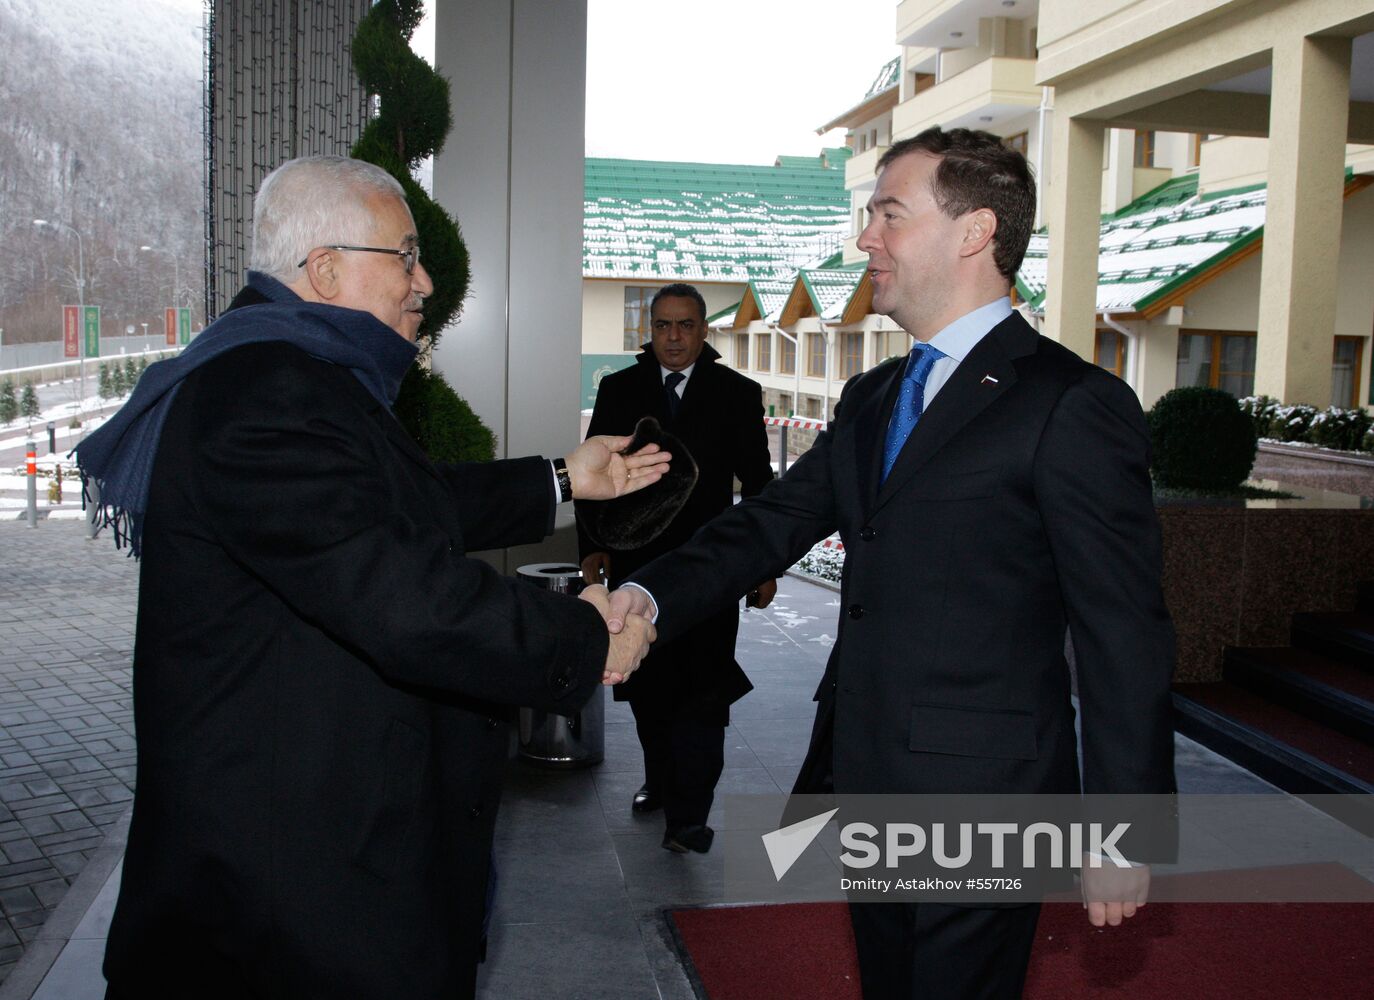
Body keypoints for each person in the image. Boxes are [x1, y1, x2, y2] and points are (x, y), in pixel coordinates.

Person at [584, 127, 1177, 998]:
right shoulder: (875, 395)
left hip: (986, 798)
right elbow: (769, 522)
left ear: (974, 231)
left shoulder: (1072, 405)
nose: (866, 239)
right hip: (869, 778)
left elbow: (1123, 629)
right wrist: (644, 593)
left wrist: (1125, 822)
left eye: (888, 215)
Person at [76, 155, 663, 1000]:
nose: (422, 282)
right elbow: (403, 596)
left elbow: (391, 504)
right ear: (325, 269)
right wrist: (580, 630)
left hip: (308, 862)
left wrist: (564, 480)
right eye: (405, 256)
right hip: (283, 906)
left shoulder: (290, 373)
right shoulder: (265, 393)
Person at [576, 282, 776, 854]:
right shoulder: (620, 389)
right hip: (638, 563)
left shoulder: (737, 392)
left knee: (704, 690)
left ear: (703, 330)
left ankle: (690, 815)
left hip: (713, 568)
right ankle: (660, 782)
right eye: (662, 325)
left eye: (685, 325)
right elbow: (596, 480)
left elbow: (759, 483)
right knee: (648, 688)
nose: (673, 336)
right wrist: (591, 549)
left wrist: (765, 564)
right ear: (650, 328)